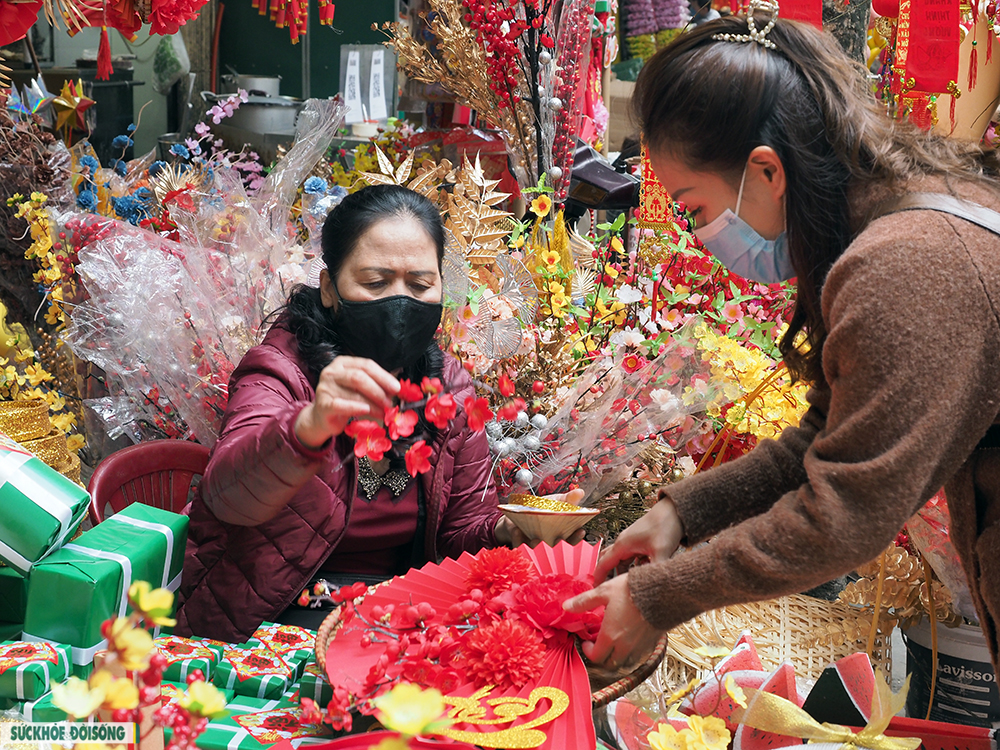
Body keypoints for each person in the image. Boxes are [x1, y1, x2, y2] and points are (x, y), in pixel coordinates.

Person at [564, 0, 1000, 680]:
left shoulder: (906, 267)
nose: (701, 239)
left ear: (766, 171)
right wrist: (682, 512)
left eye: (695, 209)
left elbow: (844, 514)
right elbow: (829, 438)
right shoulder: (896, 223)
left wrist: (658, 597)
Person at [176, 184, 580, 641]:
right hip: (275, 614)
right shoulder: (282, 370)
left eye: (420, 284)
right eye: (375, 283)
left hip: (402, 616)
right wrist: (307, 428)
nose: (400, 302)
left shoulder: (447, 387)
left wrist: (510, 530)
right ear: (330, 288)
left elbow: (460, 531)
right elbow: (229, 497)